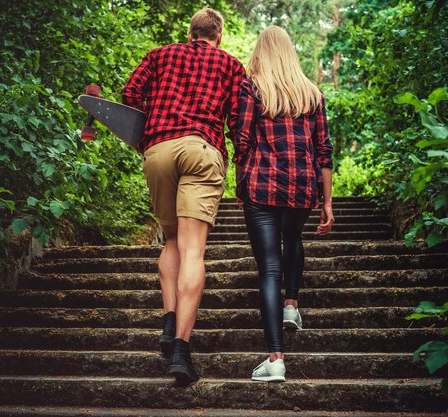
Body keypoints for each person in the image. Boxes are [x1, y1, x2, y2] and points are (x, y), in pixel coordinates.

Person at [122, 8, 246, 383]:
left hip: (158, 151)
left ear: (190, 32)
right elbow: (240, 124)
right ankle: (181, 350)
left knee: (172, 239)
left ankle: (168, 319)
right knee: (194, 250)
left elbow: (129, 94)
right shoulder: (231, 65)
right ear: (218, 36)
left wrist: (151, 126)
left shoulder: (159, 55)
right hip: (201, 151)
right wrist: (242, 172)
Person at [233, 25, 334, 382]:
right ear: (291, 52)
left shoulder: (252, 88)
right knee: (292, 237)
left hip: (262, 186)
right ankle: (292, 305)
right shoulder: (312, 94)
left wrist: (241, 178)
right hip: (303, 188)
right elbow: (324, 150)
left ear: (261, 51)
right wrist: (327, 202)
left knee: (268, 269)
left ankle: (275, 360)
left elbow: (242, 139)